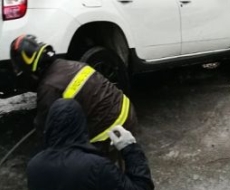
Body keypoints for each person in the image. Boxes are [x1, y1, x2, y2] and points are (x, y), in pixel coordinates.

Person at [9, 34, 137, 162]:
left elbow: (48, 135)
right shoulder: (68, 64)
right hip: (127, 113)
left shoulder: (49, 88)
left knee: (78, 168)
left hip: (109, 132)